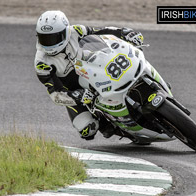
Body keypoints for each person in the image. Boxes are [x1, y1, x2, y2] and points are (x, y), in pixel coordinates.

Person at [34, 10, 144, 140]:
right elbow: (55, 94)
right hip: (73, 91)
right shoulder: (41, 62)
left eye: (53, 38)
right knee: (87, 130)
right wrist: (76, 96)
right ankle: (113, 125)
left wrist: (123, 33)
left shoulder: (75, 31)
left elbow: (101, 31)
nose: (49, 43)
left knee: (125, 63)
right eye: (44, 38)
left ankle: (145, 82)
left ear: (65, 32)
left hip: (92, 67)